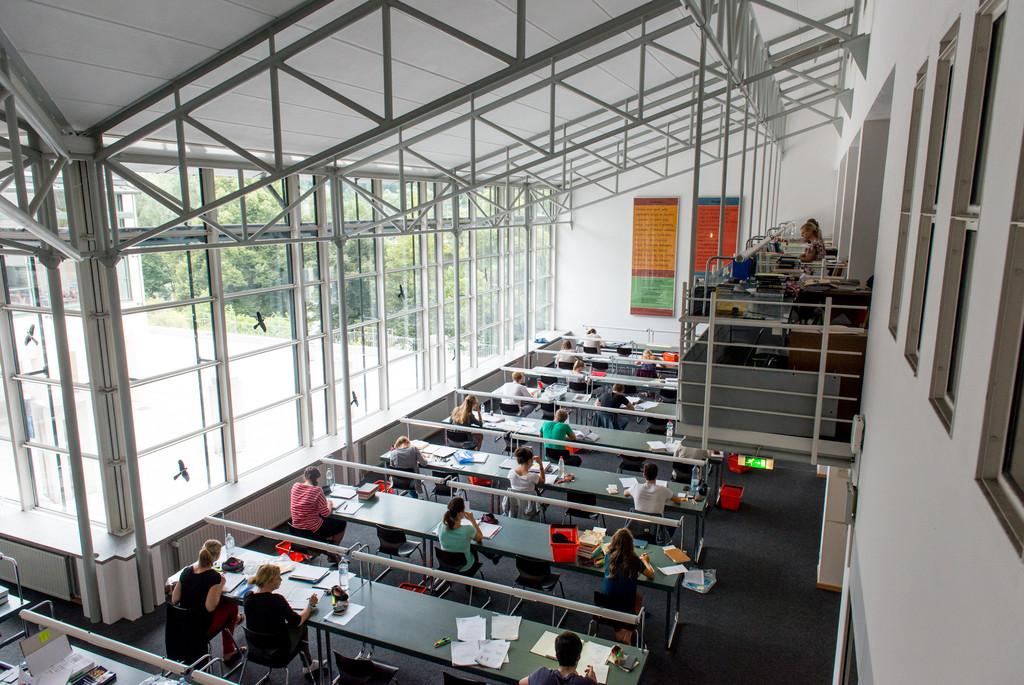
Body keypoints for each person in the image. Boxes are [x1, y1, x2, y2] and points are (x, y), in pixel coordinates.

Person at [170, 540, 243, 663]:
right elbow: (210, 607)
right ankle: (228, 651)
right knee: (231, 605)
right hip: (200, 626)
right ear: (217, 556)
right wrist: (220, 585)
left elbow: (174, 599)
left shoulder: (187, 571)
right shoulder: (213, 577)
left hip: (182, 623)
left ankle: (236, 619)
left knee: (228, 607)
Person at [242, 564, 320, 675]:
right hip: (278, 650)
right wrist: (310, 606)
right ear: (270, 581)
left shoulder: (248, 596)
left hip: (256, 647)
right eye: (278, 577)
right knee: (302, 627)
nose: (281, 579)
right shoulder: (276, 600)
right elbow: (297, 621)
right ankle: (308, 665)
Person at [601, 528, 654, 643]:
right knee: (638, 598)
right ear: (631, 544)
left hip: (604, 602)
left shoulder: (608, 557)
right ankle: (629, 631)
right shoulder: (634, 560)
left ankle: (618, 630)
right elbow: (651, 574)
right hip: (625, 604)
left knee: (617, 594)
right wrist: (646, 561)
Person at [290, 466, 347, 544]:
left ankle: (326, 546)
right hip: (312, 530)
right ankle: (333, 552)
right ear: (317, 479)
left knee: (323, 519)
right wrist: (329, 504)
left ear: (305, 476)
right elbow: (326, 513)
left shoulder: (295, 486)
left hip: (296, 529)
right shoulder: (317, 490)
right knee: (342, 523)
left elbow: (304, 503)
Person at [519, 630, 598, 684]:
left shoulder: (542, 674)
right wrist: (593, 681)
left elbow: (521, 682)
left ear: (556, 656)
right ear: (578, 657)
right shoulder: (586, 683)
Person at [436, 496, 483, 572]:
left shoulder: (441, 525)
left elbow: (439, 534)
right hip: (464, 567)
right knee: (473, 548)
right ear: (459, 513)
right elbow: (480, 537)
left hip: (446, 563)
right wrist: (472, 520)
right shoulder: (468, 529)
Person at [504, 446, 545, 518]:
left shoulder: (511, 473)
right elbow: (543, 481)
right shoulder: (533, 476)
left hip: (515, 508)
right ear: (529, 461)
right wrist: (540, 465)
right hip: (530, 510)